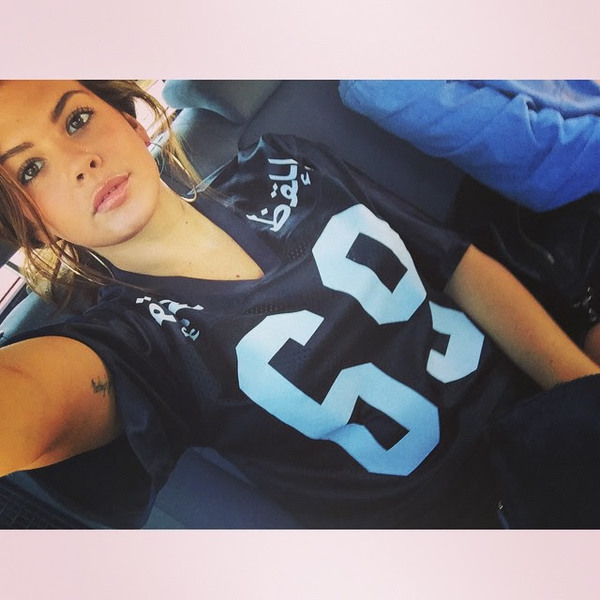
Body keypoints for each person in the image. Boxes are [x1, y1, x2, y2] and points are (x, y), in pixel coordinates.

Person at [0, 80, 598, 528]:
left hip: (553, 414)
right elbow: (25, 406)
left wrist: (579, 386)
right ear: (33, 227)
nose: (79, 163)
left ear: (132, 124)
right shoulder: (132, 342)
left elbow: (459, 266)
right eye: (30, 170)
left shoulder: (285, 162)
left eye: (77, 119)